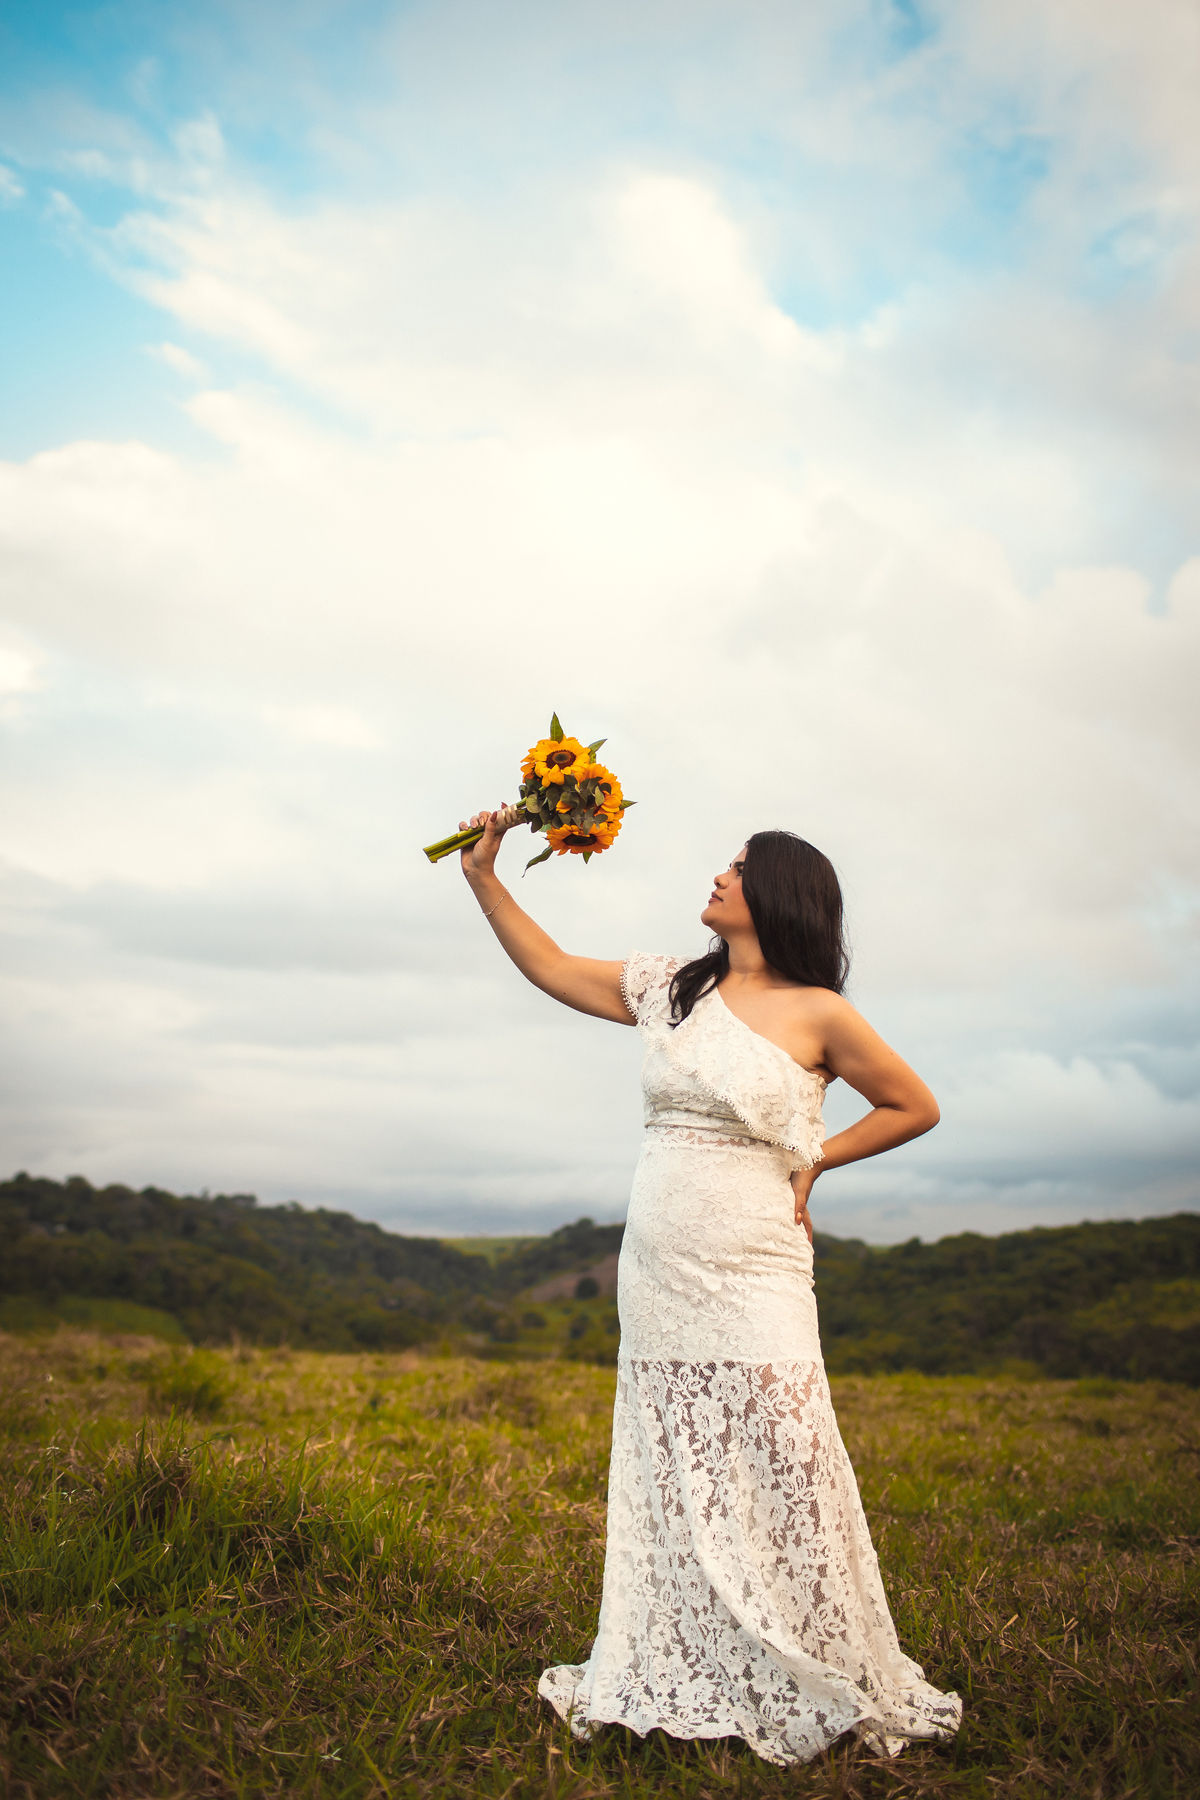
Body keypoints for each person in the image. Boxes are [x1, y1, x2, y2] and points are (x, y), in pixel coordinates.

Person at [458, 811, 962, 1766]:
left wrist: (817, 1157)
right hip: (659, 1269)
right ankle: (693, 1657)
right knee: (675, 1455)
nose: (718, 877)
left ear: (778, 894)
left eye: (737, 869)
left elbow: (912, 1106)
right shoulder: (672, 987)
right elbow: (554, 966)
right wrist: (485, 877)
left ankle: (818, 1656)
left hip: (758, 1263)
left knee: (785, 1442)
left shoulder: (821, 1010)